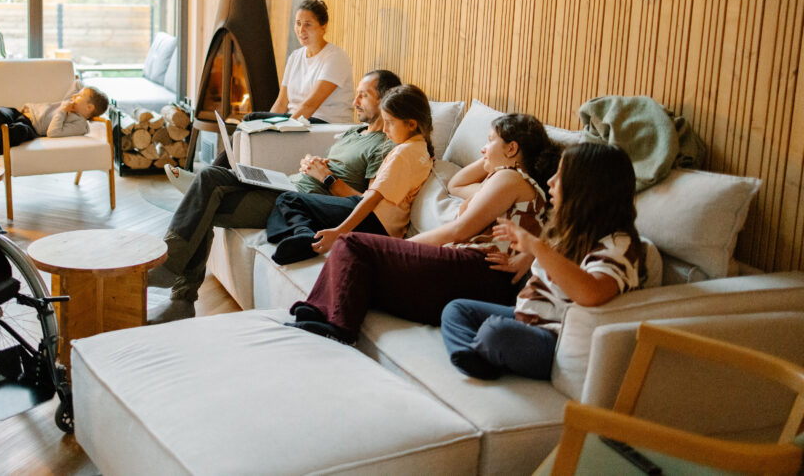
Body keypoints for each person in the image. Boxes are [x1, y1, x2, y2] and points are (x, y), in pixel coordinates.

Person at [148, 69, 402, 324]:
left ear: (384, 99)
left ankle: (177, 286)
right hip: (287, 185)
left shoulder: (383, 146)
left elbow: (365, 202)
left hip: (299, 203)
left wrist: (327, 177)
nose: (355, 102)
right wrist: (314, 164)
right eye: (356, 94)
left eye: (363, 96)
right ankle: (179, 293)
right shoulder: (352, 133)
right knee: (209, 179)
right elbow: (334, 167)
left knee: (204, 197)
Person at [288, 113, 559, 343]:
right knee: (360, 262)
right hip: (478, 277)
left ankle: (338, 328)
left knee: (354, 244)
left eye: (489, 141)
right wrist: (492, 157)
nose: (482, 148)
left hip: (476, 270)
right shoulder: (507, 182)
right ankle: (320, 314)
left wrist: (401, 247)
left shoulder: (510, 178)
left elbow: (459, 231)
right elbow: (457, 184)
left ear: (512, 148)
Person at [441, 142, 647, 380]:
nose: (550, 181)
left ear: (587, 189)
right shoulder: (569, 233)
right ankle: (475, 357)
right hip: (525, 317)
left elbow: (591, 292)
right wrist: (527, 254)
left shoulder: (619, 245)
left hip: (554, 339)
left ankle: (485, 351)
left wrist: (535, 246)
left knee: (495, 331)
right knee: (456, 309)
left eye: (561, 176)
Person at [264, 84, 434, 265]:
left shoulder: (403, 153)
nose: (385, 130)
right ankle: (302, 234)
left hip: (375, 220)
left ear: (412, 124)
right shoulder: (422, 151)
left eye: (390, 123)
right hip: (386, 225)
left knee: (288, 200)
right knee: (296, 205)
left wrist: (339, 232)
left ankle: (304, 236)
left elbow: (371, 199)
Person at [250, 0, 354, 124]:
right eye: (298, 23)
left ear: (323, 27)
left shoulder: (335, 57)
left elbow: (310, 105)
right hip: (296, 120)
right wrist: (268, 125)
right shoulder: (295, 57)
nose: (301, 30)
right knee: (252, 121)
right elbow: (281, 102)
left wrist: (283, 129)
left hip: (323, 122)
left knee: (253, 121)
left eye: (308, 24)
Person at [0, 84, 109, 157]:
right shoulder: (71, 100)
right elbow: (77, 83)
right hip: (20, 113)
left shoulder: (80, 125)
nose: (75, 95)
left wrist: (63, 111)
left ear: (89, 108)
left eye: (80, 96)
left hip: (31, 128)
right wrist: (83, 93)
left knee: (18, 131)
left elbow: (53, 132)